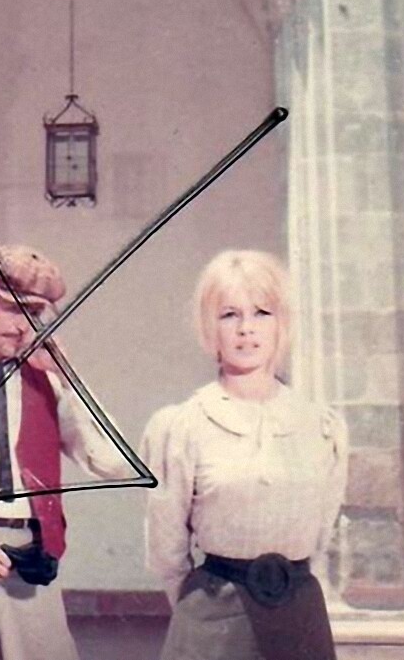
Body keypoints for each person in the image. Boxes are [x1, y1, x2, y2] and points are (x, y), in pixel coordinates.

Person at [140, 250, 347, 660]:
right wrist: (200, 615)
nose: (246, 329)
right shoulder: (183, 426)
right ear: (209, 327)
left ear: (282, 323)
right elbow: (167, 550)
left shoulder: (322, 426)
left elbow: (322, 532)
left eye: (262, 313)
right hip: (213, 619)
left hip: (300, 618)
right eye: (229, 314)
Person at [0, 245, 128, 660]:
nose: (22, 326)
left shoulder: (47, 381)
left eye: (33, 313)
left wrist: (68, 377)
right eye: (11, 308)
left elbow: (114, 463)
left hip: (28, 557)